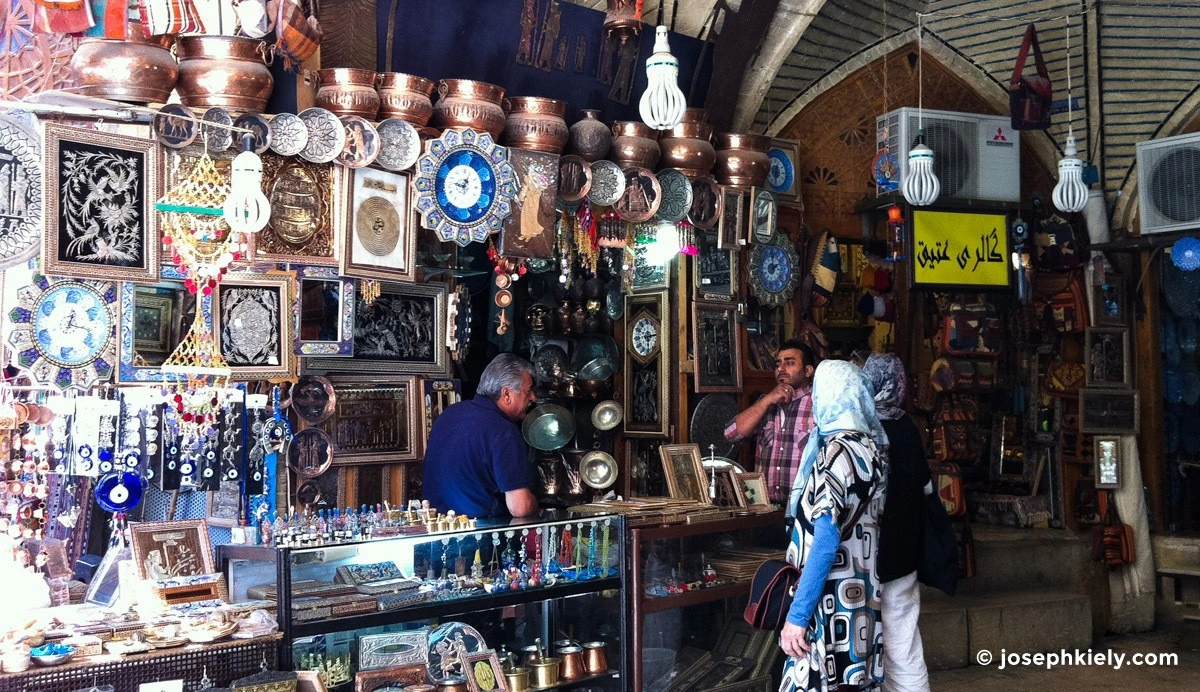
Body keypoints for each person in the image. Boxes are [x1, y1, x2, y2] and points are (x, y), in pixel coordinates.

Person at [779, 360, 888, 692]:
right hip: (860, 604)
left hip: (827, 606)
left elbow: (825, 541)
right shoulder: (871, 450)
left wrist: (798, 617)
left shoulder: (834, 455)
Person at [863, 353, 932, 692]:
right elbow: (925, 484)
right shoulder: (907, 427)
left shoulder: (858, 427)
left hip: (863, 553)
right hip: (902, 548)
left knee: (864, 642)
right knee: (903, 639)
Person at [423, 354, 539, 518]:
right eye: (528, 391)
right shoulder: (503, 430)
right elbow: (520, 508)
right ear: (506, 394)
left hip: (436, 529)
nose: (533, 397)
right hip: (479, 534)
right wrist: (536, 504)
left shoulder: (451, 413)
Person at [725, 340, 817, 505]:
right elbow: (731, 434)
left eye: (789, 363)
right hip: (766, 508)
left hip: (805, 509)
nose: (781, 369)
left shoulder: (820, 404)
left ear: (808, 370)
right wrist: (766, 401)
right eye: (778, 364)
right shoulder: (766, 403)